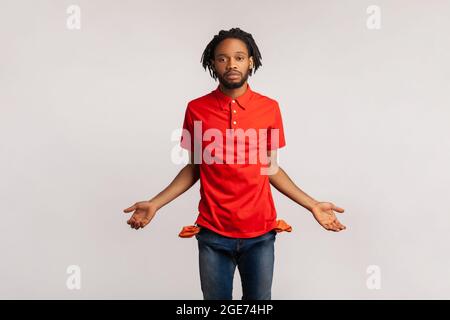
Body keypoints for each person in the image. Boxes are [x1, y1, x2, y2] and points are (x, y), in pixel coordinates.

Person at [123, 27, 346, 300]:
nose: (231, 64)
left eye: (239, 57)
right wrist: (155, 203)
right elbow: (195, 167)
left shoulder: (270, 108)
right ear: (213, 64)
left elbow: (270, 167)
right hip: (213, 234)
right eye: (222, 58)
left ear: (251, 61)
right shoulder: (196, 108)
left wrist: (312, 204)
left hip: (260, 234)